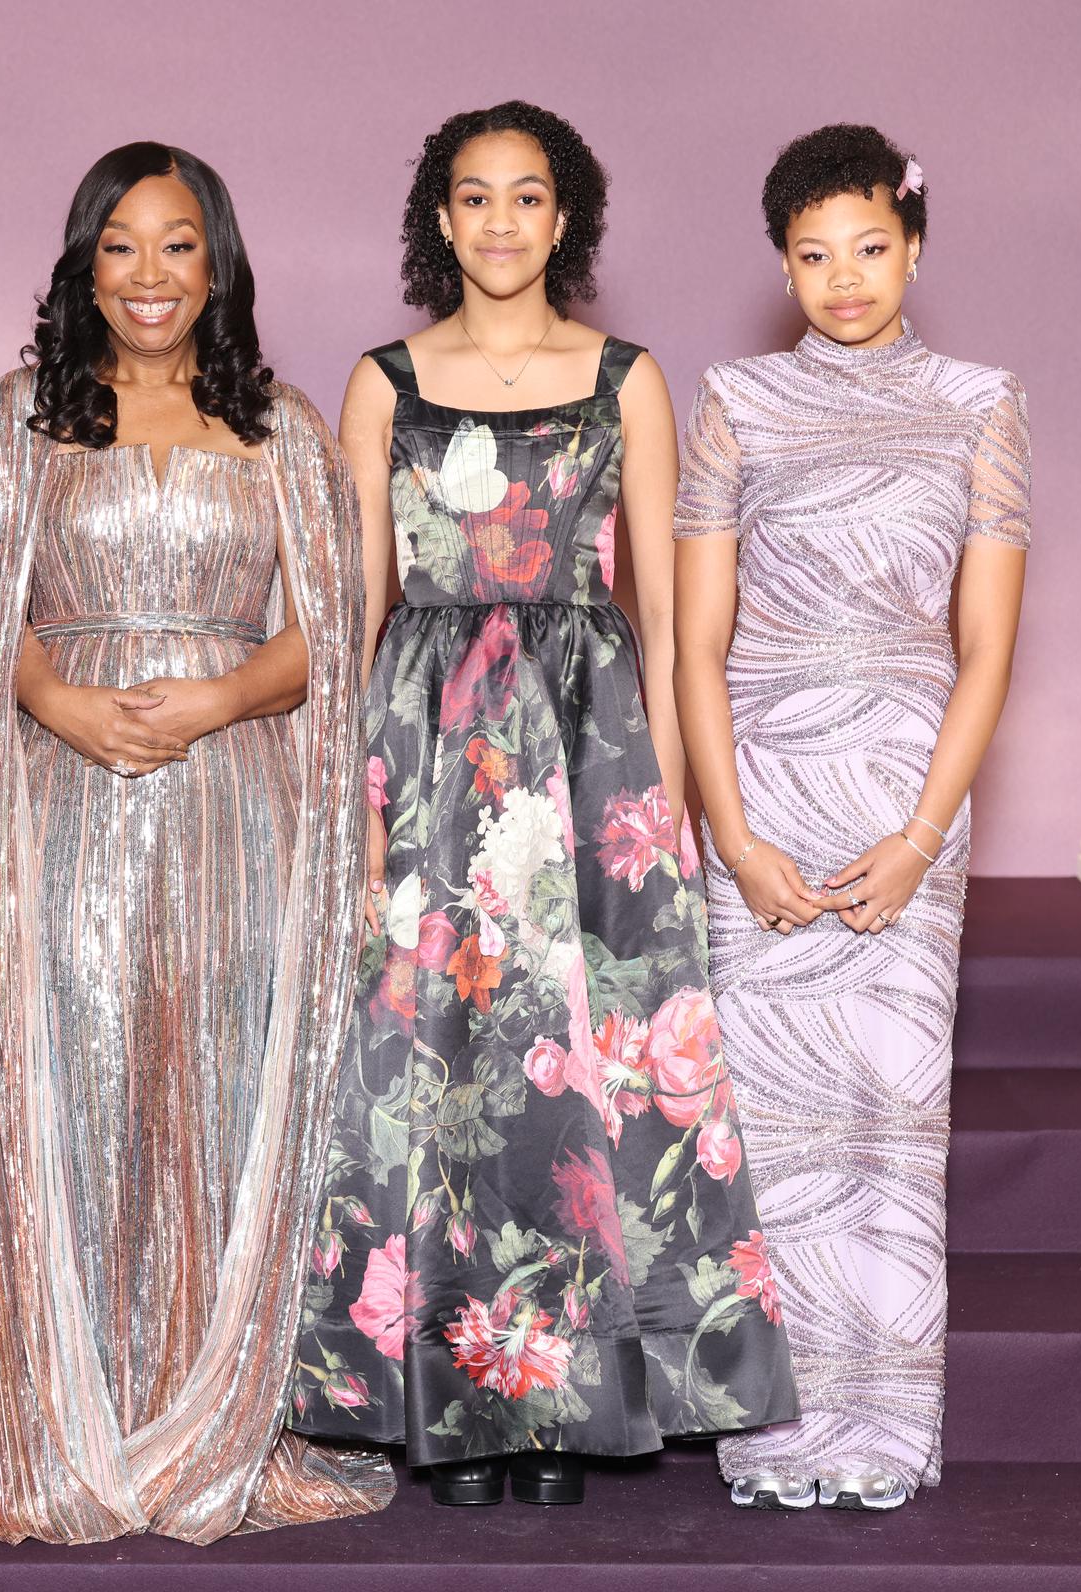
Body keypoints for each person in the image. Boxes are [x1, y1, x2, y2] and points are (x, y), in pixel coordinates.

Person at [292, 102, 797, 1511]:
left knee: (582, 1070)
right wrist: (354, 799)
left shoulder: (628, 378)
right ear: (440, 218)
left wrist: (668, 803)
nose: (501, 221)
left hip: (587, 748)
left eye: (528, 195)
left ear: (563, 216)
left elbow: (663, 614)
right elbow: (355, 611)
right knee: (439, 1067)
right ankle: (455, 1400)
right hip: (428, 747)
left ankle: (565, 1403)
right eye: (476, 196)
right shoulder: (383, 384)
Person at [0, 141, 394, 1545]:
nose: (150, 274)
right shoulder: (21, 420)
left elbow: (330, 629)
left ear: (219, 264)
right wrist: (56, 699)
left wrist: (226, 693)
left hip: (232, 806)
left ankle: (212, 1412)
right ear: (85, 264)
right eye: (121, 245)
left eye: (178, 244)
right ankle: (68, 1413)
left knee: (219, 1080)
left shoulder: (281, 427)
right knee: (73, 1074)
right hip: (64, 804)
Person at [672, 124, 1032, 1513]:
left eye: (870, 247)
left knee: (888, 1113)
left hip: (905, 794)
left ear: (914, 246)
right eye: (814, 255)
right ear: (783, 266)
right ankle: (774, 1427)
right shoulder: (735, 401)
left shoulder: (982, 404)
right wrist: (733, 837)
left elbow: (985, 648)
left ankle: (884, 1427)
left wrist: (925, 835)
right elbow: (698, 643)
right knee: (771, 1120)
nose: (845, 277)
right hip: (761, 791)